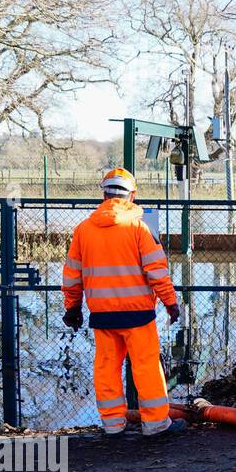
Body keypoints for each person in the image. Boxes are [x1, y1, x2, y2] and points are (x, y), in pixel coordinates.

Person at [61, 168, 185, 437]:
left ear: (104, 194)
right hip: (138, 314)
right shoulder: (140, 226)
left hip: (103, 315)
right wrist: (170, 302)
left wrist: (72, 307)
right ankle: (155, 424)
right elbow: (156, 270)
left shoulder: (83, 229)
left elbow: (72, 274)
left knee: (106, 367)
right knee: (147, 367)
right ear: (132, 195)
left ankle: (113, 424)